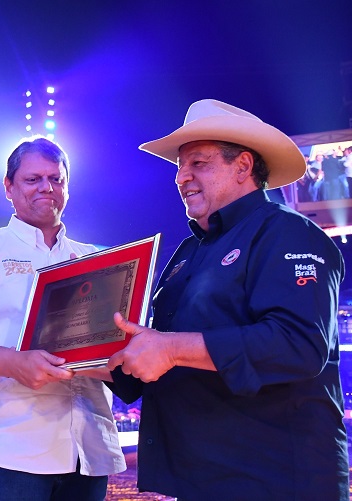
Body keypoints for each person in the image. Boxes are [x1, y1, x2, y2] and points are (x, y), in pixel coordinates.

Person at [106, 99, 349, 500]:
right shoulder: (188, 252)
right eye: (180, 166)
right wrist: (71, 359)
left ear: (243, 167)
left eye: (198, 163)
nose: (181, 177)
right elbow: (156, 356)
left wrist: (169, 349)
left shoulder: (289, 234)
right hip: (202, 477)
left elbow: (299, 344)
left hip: (276, 480)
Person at [0, 136, 125, 501]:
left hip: (88, 453)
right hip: (8, 451)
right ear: (8, 187)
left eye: (56, 179)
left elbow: (118, 347)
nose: (46, 188)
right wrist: (15, 363)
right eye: (32, 179)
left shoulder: (96, 260)